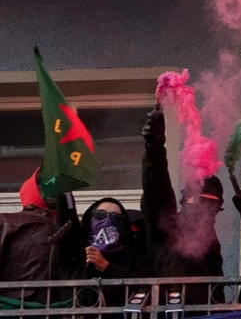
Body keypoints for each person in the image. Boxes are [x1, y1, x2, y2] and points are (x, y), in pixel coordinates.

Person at [142, 107, 226, 277]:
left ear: (217, 209)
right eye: (195, 199)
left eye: (209, 203)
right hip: (168, 303)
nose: (201, 207)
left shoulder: (211, 243)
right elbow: (157, 190)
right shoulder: (168, 228)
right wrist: (154, 149)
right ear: (183, 201)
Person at [0, 169, 74, 282]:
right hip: (9, 298)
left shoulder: (64, 230)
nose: (54, 193)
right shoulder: (3, 223)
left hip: (48, 298)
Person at [76, 196, 151, 277]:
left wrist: (106, 267)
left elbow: (142, 281)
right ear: (90, 218)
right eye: (100, 214)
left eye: (116, 217)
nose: (108, 220)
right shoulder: (76, 250)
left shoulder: (135, 253)